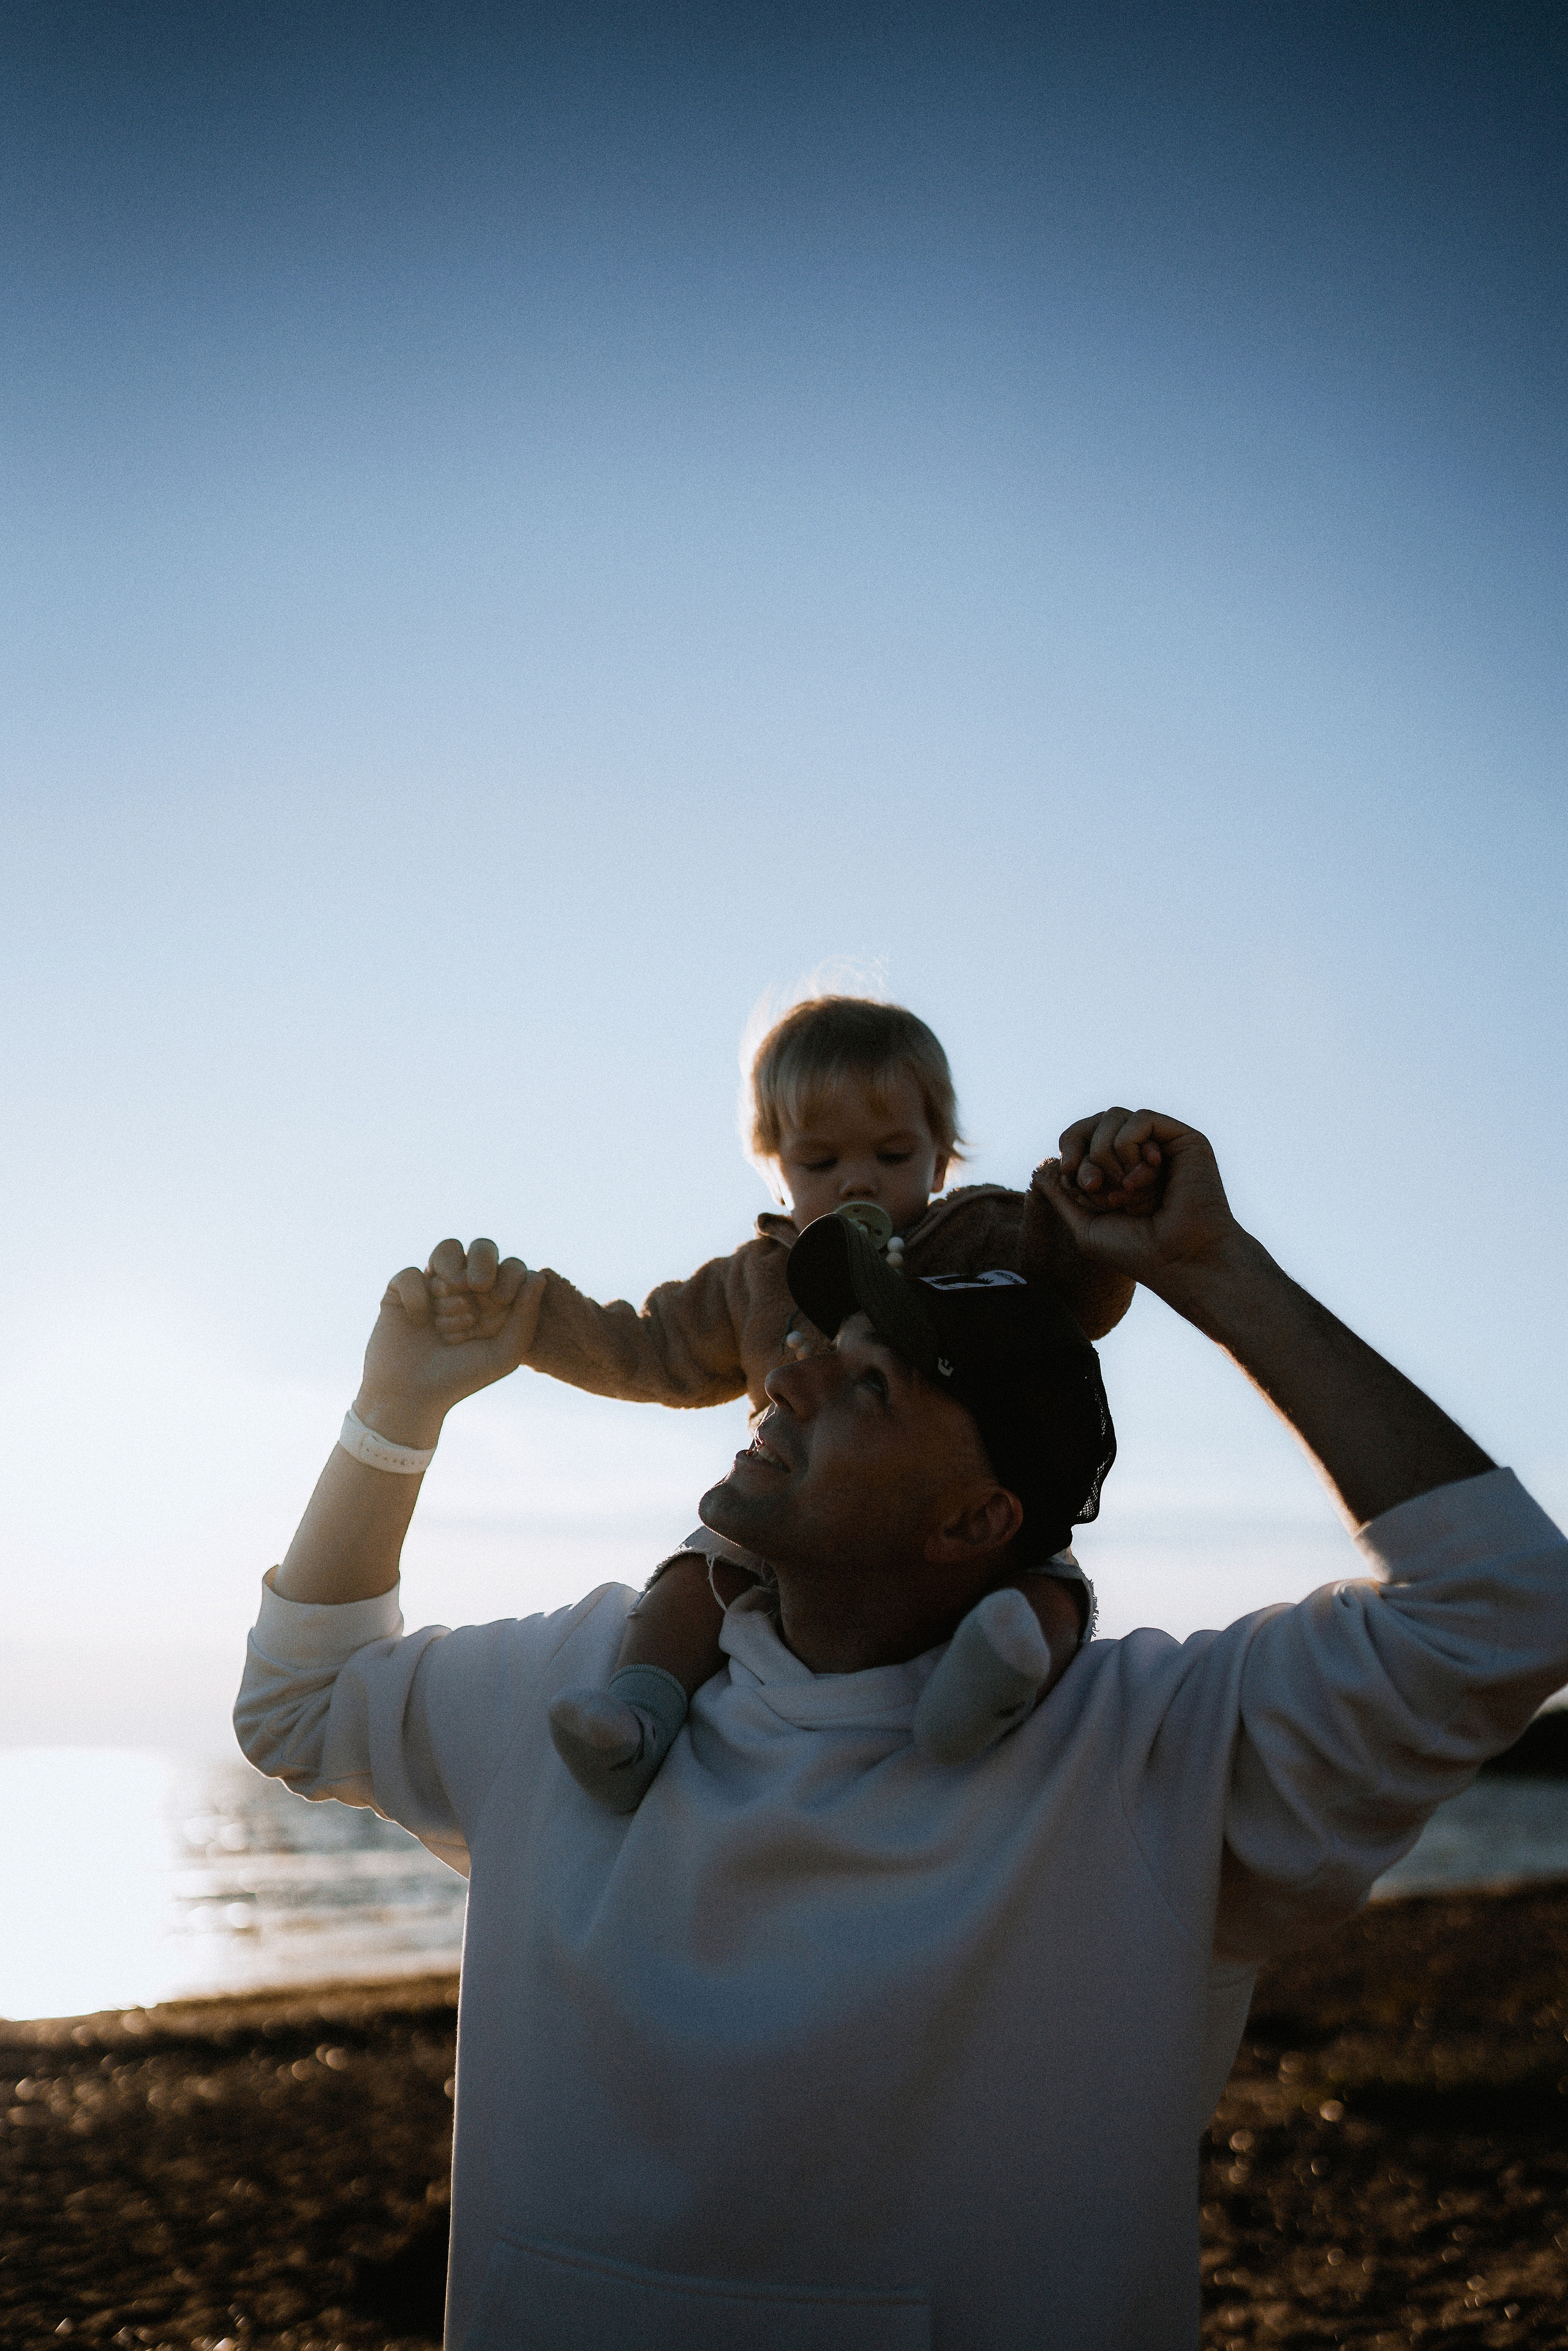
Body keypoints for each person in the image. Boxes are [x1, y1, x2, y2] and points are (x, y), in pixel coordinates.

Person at [235, 1106, 1568, 2350]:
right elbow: (296, 1707)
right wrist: (396, 1412)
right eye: (820, 1346)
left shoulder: (1139, 1750)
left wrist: (1214, 1269)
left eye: (873, 1386)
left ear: (976, 1524)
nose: (793, 1377)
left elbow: (1504, 1607)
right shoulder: (584, 1690)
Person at [426, 995, 1155, 1808]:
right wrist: (532, 1318)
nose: (856, 1179)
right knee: (698, 1569)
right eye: (819, 1161)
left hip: (957, 1508)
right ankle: (640, 1712)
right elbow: (646, 1348)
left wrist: (1089, 1208)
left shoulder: (982, 1232)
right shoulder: (757, 1277)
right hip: (797, 1507)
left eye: (891, 1152)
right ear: (772, 1161)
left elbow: (1068, 1299)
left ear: (942, 1156)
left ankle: (995, 1672)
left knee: (1046, 1574)